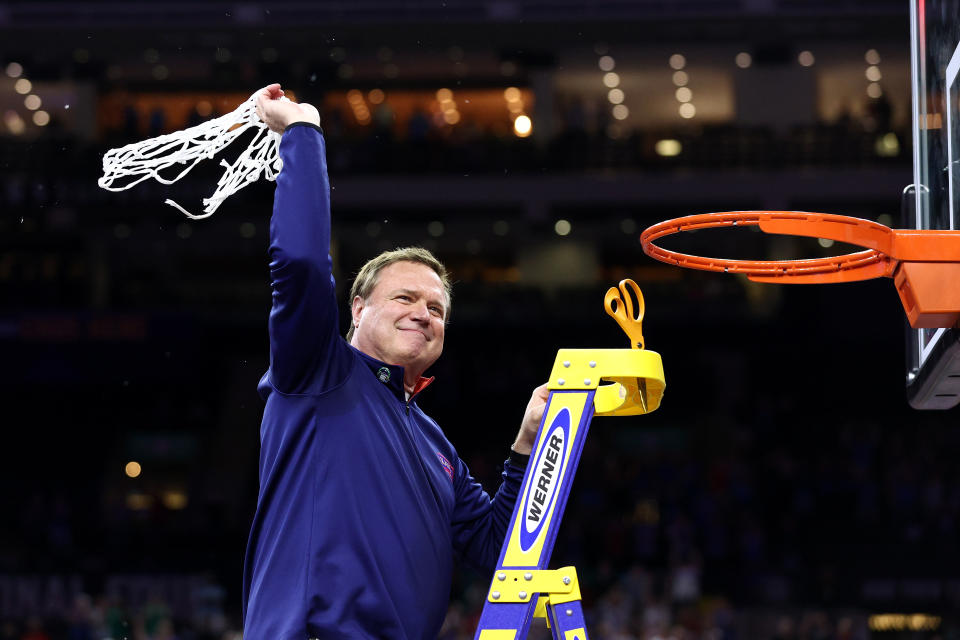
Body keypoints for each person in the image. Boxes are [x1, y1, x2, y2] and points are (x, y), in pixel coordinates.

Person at [242, 84, 549, 639]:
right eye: (405, 298)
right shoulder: (317, 372)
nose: (423, 313)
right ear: (357, 309)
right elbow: (302, 264)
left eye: (436, 308)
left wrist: (531, 446)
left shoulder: (436, 445)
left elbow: (503, 546)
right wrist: (303, 133)